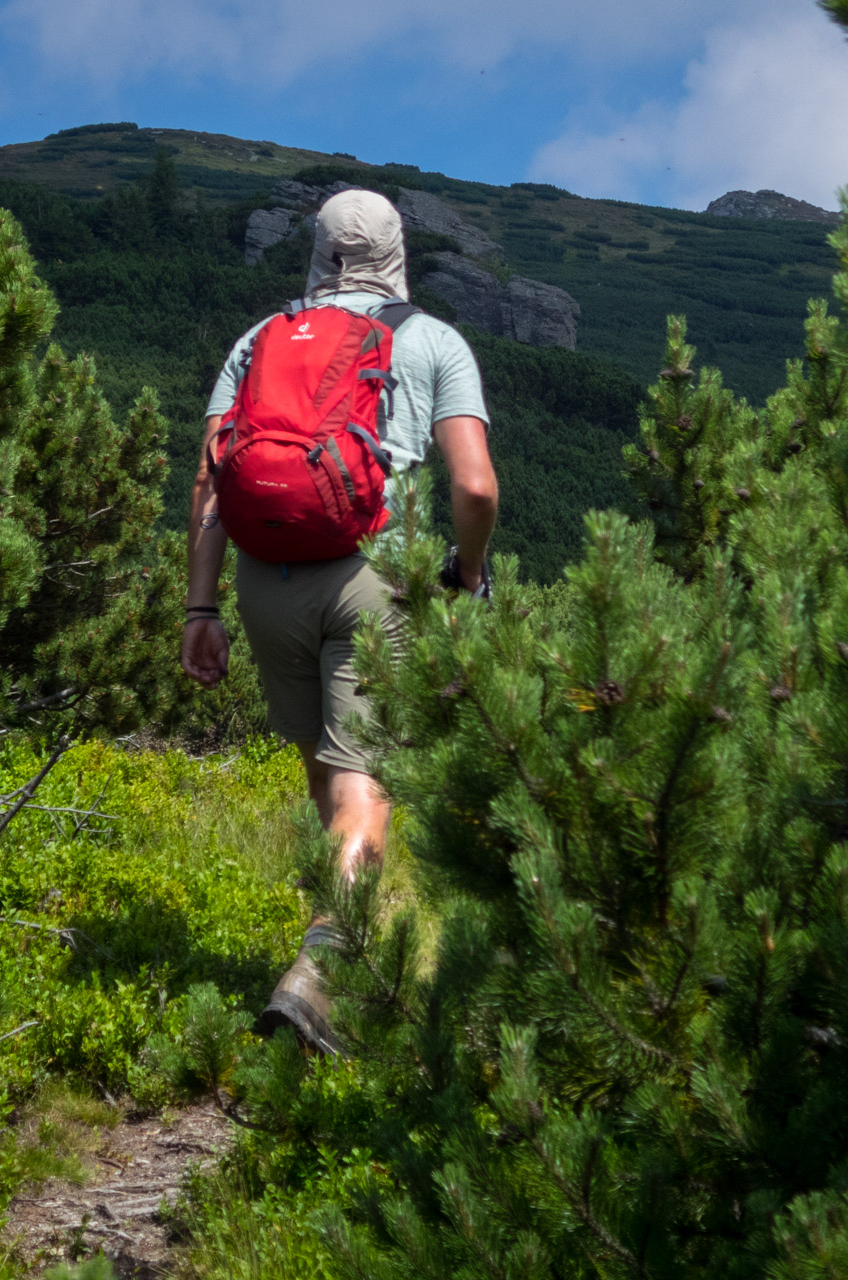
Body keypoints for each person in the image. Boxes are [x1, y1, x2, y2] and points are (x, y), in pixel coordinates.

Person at [180, 188, 498, 1054]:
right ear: (400, 251)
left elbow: (212, 483)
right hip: (375, 578)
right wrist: (467, 577)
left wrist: (199, 607)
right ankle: (324, 972)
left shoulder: (261, 339)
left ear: (317, 253)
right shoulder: (431, 340)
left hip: (264, 581)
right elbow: (474, 487)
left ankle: (332, 942)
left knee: (327, 766)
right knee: (368, 781)